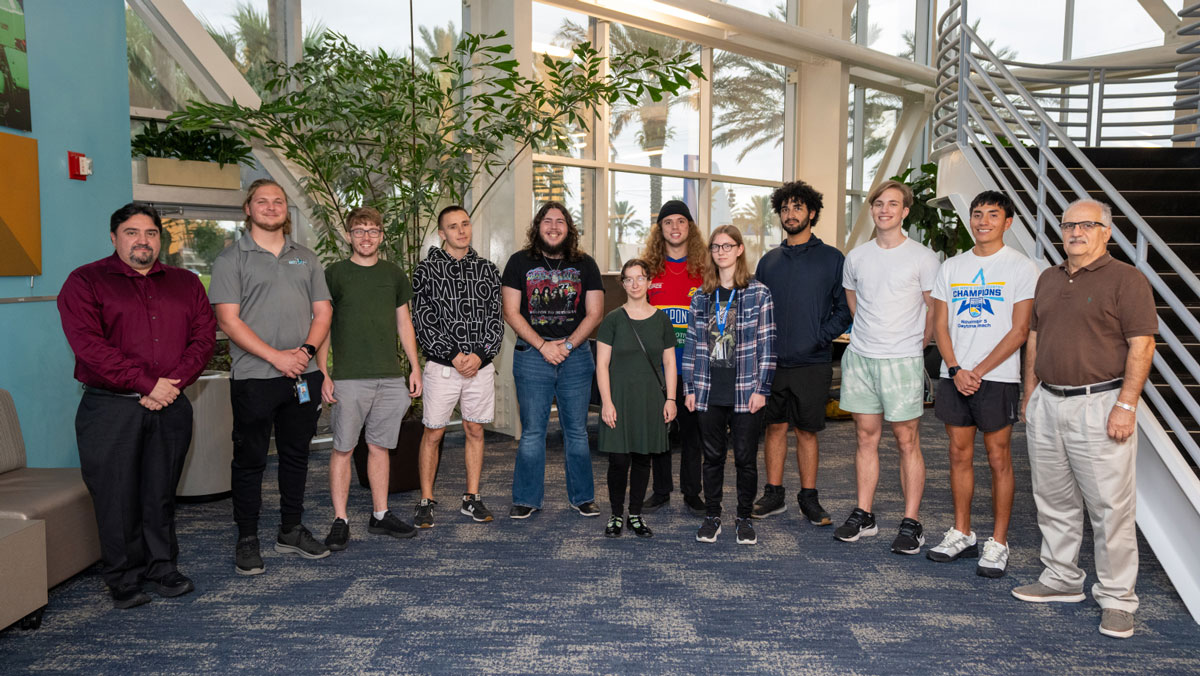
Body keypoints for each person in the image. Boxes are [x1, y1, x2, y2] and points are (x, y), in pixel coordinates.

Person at [57, 203, 215, 609]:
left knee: (160, 493)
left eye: (150, 233)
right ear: (114, 238)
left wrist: (170, 385)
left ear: (160, 239)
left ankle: (162, 568)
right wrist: (147, 384)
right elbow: (90, 347)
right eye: (132, 232)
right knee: (116, 497)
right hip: (111, 409)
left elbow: (203, 339)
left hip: (172, 404)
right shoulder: (85, 281)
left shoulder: (186, 283)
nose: (142, 240)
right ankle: (123, 578)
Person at [1013, 198, 1155, 640]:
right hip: (1048, 401)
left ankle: (1117, 599)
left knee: (1110, 508)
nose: (1075, 232)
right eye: (1068, 225)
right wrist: (1030, 393)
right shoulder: (1049, 278)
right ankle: (1061, 578)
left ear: (1106, 232)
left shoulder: (1127, 279)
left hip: (1100, 404)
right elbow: (1035, 337)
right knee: (1053, 499)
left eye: (1087, 225)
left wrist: (1126, 405)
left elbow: (1143, 344)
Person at [209, 178, 333, 575]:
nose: (271, 206)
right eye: (262, 201)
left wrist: (304, 353)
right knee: (250, 460)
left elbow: (323, 312)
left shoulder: (305, 258)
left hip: (303, 375)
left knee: (297, 456)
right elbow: (229, 321)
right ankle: (247, 537)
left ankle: (290, 529)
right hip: (254, 377)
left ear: (286, 210)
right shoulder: (231, 260)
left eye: (278, 201)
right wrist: (277, 358)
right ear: (248, 209)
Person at [926, 191, 1038, 577]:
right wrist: (957, 369)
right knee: (958, 455)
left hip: (998, 378)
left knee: (998, 459)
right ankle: (962, 532)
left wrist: (978, 370)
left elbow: (1020, 330)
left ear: (1008, 222)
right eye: (977, 214)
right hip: (955, 376)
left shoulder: (1022, 267)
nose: (983, 221)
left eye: (992, 214)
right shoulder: (952, 267)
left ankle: (999, 542)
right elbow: (940, 325)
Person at [834, 179, 940, 555]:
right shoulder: (857, 257)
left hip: (902, 360)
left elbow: (934, 308)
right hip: (862, 357)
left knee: (907, 440)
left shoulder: (923, 257)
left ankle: (912, 522)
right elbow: (853, 299)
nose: (884, 210)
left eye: (893, 204)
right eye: (878, 203)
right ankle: (864, 514)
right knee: (865, 438)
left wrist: (917, 343)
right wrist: (870, 333)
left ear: (905, 211)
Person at [316, 206, 421, 550]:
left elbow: (404, 323)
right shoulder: (335, 274)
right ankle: (340, 519)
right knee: (343, 448)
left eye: (373, 231)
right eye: (359, 231)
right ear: (349, 236)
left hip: (389, 378)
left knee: (379, 447)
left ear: (381, 236)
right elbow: (323, 325)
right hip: (349, 378)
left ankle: (380, 513)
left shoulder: (393, 274)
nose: (366, 237)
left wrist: (414, 367)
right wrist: (323, 372)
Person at [752, 180, 851, 526]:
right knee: (775, 428)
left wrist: (818, 338)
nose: (790, 214)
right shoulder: (769, 262)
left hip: (812, 361)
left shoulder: (832, 259)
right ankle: (774, 494)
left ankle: (809, 498)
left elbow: (844, 309)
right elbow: (757, 311)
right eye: (784, 208)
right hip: (772, 363)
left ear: (812, 213)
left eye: (797, 207)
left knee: (808, 431)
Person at [501, 201, 604, 519]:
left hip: (576, 357)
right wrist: (543, 346)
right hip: (532, 356)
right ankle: (526, 498)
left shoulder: (585, 264)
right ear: (538, 226)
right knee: (533, 432)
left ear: (569, 229)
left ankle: (583, 497)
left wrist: (568, 346)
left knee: (577, 431)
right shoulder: (519, 262)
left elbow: (595, 312)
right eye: (547, 220)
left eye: (560, 221)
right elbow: (511, 312)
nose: (554, 226)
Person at [411, 205, 504, 527]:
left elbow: (496, 318)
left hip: (480, 366)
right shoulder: (426, 270)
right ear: (442, 233)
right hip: (442, 367)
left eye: (465, 224)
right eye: (453, 226)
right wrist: (453, 354)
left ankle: (471, 497)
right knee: (433, 433)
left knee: (475, 430)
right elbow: (423, 319)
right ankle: (426, 499)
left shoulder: (488, 269)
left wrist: (479, 354)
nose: (461, 231)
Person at [684, 225, 776, 546]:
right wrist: (689, 388)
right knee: (712, 459)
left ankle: (744, 518)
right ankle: (712, 516)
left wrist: (762, 389)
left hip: (746, 390)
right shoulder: (701, 296)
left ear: (739, 250)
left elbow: (767, 345)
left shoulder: (759, 293)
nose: (721, 252)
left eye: (727, 246)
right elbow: (692, 345)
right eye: (715, 247)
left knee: (745, 460)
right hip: (708, 389)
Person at [596, 259, 678, 538]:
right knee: (619, 460)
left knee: (643, 458)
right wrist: (606, 402)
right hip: (618, 399)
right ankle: (615, 515)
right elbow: (602, 365)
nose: (635, 284)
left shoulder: (662, 320)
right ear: (622, 284)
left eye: (640, 278)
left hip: (650, 399)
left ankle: (635, 514)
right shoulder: (612, 319)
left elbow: (669, 362)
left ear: (649, 281)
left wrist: (671, 399)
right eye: (629, 279)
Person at [641, 199, 707, 516]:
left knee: (694, 434)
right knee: (660, 432)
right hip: (657, 369)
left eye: (681, 221)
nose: (675, 227)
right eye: (668, 222)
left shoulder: (705, 270)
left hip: (694, 369)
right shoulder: (648, 271)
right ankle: (661, 490)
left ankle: (692, 492)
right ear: (660, 230)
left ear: (689, 227)